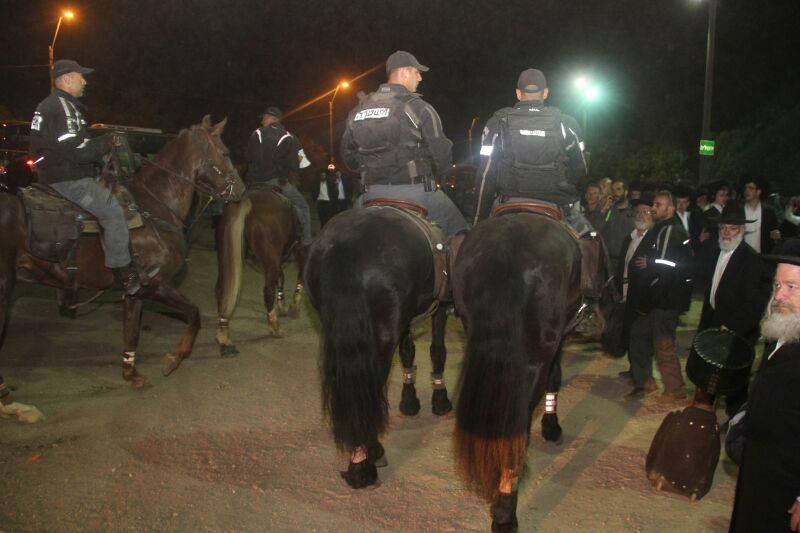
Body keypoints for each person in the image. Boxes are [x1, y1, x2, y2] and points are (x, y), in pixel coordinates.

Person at [29, 59, 145, 295]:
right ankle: (123, 272)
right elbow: (76, 152)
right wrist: (108, 141)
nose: (85, 81)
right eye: (80, 76)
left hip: (55, 174)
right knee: (113, 212)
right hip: (68, 179)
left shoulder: (52, 104)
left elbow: (73, 144)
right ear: (67, 78)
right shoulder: (63, 107)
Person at [340, 51, 467, 236]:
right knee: (461, 233)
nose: (420, 78)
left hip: (370, 193)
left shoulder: (358, 110)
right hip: (416, 193)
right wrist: (441, 176)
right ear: (404, 73)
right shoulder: (419, 107)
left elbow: (348, 157)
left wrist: (371, 167)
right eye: (417, 72)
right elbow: (441, 153)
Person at [729, 238, 800, 532]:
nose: (779, 296)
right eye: (776, 286)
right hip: (759, 474)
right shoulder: (782, 332)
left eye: (792, 287)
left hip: (785, 491)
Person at [472, 68, 591, 237]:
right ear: (546, 93)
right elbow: (581, 170)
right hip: (557, 201)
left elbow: (485, 174)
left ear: (519, 94)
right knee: (592, 245)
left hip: (509, 198)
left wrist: (478, 222)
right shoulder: (567, 123)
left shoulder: (498, 122)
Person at [696, 203, 771, 416]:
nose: (727, 232)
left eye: (733, 228)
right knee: (709, 377)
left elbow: (755, 304)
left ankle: (736, 424)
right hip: (714, 325)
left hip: (737, 333)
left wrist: (731, 326)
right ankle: (704, 417)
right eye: (723, 228)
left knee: (734, 385)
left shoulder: (751, 260)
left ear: (742, 230)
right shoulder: (716, 251)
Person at [624, 191, 693, 402]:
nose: (653, 207)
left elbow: (667, 266)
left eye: (658, 204)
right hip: (659, 299)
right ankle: (645, 381)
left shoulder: (669, 230)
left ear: (670, 208)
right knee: (638, 336)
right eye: (654, 203)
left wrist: (651, 266)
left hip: (664, 300)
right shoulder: (664, 228)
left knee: (663, 345)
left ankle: (676, 390)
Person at [244, 106, 313, 248]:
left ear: (272, 118)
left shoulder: (256, 133)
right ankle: (307, 242)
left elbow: (249, 157)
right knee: (304, 207)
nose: (262, 121)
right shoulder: (291, 137)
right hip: (277, 182)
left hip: (253, 182)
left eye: (264, 118)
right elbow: (302, 164)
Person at [601, 179, 635, 275]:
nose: (615, 193)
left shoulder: (634, 213)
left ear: (626, 191)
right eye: (613, 190)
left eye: (618, 189)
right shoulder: (609, 211)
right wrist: (605, 209)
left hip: (626, 262)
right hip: (607, 262)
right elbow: (598, 229)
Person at [741, 174, 780, 254]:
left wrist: (776, 235)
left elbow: (774, 233)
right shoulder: (738, 210)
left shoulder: (769, 212)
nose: (747, 191)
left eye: (751, 188)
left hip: (761, 257)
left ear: (758, 191)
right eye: (746, 188)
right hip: (741, 256)